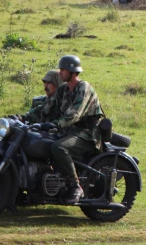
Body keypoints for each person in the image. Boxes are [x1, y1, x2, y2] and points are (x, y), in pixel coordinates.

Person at [41, 55, 105, 205]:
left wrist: (56, 124)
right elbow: (47, 108)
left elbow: (75, 113)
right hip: (69, 132)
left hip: (88, 134)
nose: (60, 73)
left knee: (59, 147)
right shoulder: (63, 89)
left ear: (72, 72)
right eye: (60, 69)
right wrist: (22, 118)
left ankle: (75, 186)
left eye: (63, 70)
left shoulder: (84, 88)